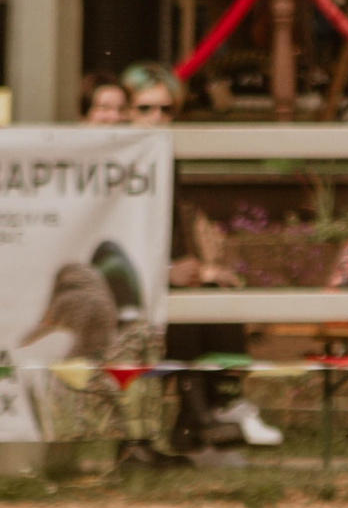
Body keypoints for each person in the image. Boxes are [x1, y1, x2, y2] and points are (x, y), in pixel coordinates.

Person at [121, 60, 283, 460]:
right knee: (193, 310)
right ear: (127, 113)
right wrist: (167, 272)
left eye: (165, 110)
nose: (156, 118)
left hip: (159, 291)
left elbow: (172, 241)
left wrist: (199, 268)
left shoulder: (170, 163)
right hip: (122, 297)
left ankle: (212, 413)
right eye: (145, 109)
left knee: (214, 292)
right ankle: (203, 422)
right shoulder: (116, 167)